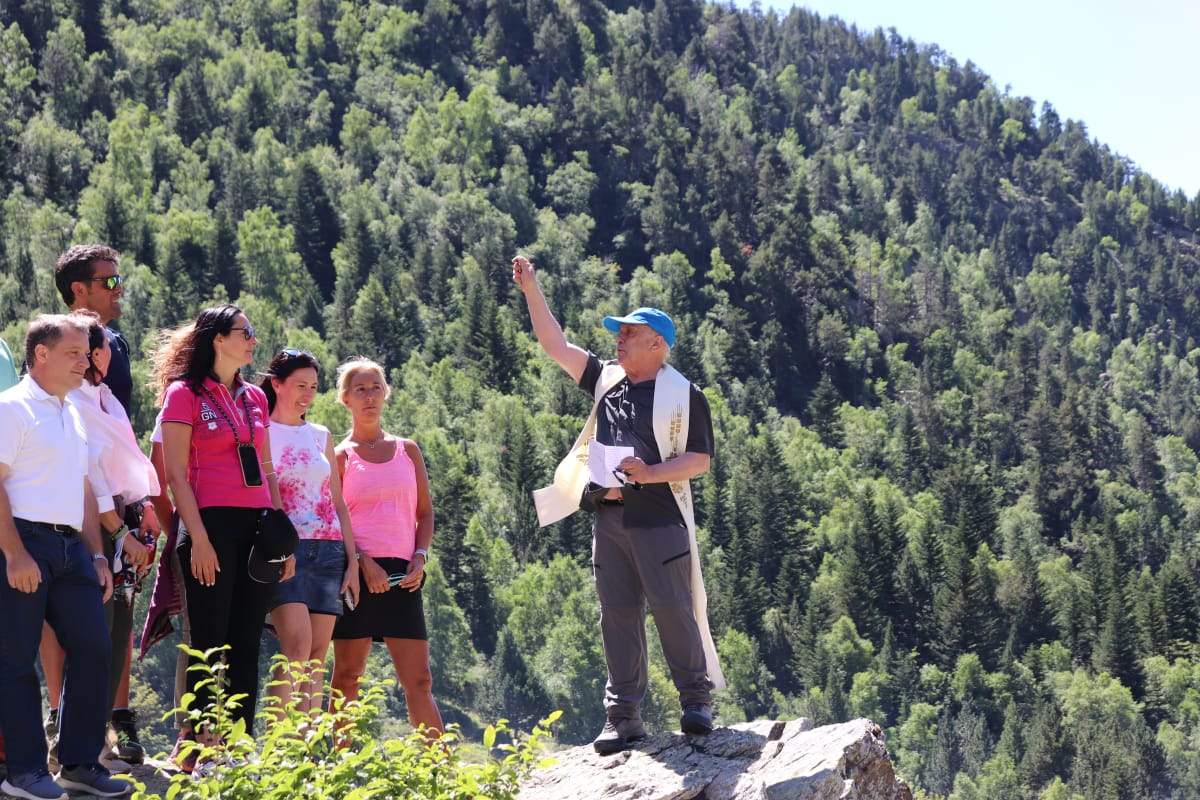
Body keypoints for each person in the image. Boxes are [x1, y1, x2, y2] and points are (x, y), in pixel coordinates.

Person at [511, 256, 724, 755]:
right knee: (618, 616)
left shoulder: (685, 395)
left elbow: (700, 460)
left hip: (660, 518)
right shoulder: (607, 380)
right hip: (609, 519)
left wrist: (650, 474)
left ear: (658, 345)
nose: (618, 340)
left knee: (675, 609)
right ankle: (622, 717)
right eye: (619, 333)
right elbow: (555, 345)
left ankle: (696, 704)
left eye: (629, 333)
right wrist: (531, 290)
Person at [153, 304, 295, 765]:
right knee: (208, 640)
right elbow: (175, 472)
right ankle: (198, 744)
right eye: (245, 332)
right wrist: (199, 539)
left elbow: (268, 468)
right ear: (217, 338)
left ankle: (237, 745)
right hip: (208, 524)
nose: (254, 340)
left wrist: (281, 535)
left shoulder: (255, 397)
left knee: (247, 638)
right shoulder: (184, 394)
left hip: (257, 529)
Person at [0, 313, 131, 799]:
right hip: (23, 543)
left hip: (72, 548)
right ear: (41, 355)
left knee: (96, 648)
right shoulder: (11, 408)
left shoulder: (70, 410)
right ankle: (24, 774)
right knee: (15, 661)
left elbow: (82, 487)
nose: (87, 361)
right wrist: (14, 553)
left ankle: (78, 764)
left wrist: (96, 556)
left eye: (87, 352)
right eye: (75, 353)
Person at [39, 313, 161, 769]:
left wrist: (145, 505)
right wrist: (120, 531)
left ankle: (91, 739)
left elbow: (128, 461)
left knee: (115, 634)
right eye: (107, 344)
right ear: (93, 353)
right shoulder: (79, 403)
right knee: (93, 635)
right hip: (99, 526)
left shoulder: (107, 397)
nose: (114, 351)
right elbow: (92, 476)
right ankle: (75, 743)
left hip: (126, 524)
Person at [49, 243, 142, 762]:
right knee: (79, 618)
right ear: (77, 290)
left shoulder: (117, 344)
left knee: (119, 614)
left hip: (120, 502)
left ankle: (109, 723)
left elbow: (120, 428)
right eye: (108, 281)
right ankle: (68, 728)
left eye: (117, 278)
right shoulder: (55, 343)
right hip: (76, 503)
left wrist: (140, 501)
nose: (118, 287)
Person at [329, 358, 442, 735]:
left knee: (420, 682)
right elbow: (332, 519)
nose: (369, 396)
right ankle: (340, 773)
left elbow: (425, 514)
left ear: (386, 393)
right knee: (347, 678)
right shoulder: (341, 457)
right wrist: (362, 562)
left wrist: (420, 558)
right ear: (345, 399)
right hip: (356, 577)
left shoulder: (407, 451)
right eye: (359, 389)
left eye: (375, 387)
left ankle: (440, 774)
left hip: (404, 576)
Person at [260, 349, 359, 715]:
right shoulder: (262, 433)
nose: (307, 394)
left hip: (330, 551)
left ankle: (303, 756)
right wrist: (280, 550)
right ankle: (275, 747)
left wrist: (352, 561)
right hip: (288, 552)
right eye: (300, 385)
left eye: (313, 387)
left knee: (317, 659)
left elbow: (337, 500)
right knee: (296, 651)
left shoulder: (320, 435)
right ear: (277, 384)